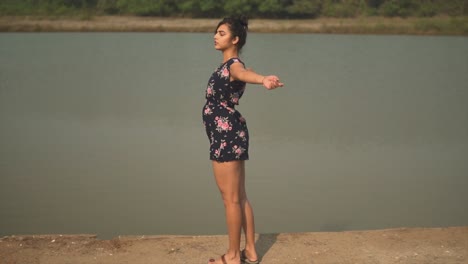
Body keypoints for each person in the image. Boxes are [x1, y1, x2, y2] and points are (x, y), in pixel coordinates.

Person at [202, 16, 283, 264]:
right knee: (239, 196)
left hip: (226, 136)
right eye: (216, 32)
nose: (215, 36)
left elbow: (244, 73)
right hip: (228, 134)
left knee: (231, 199)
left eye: (222, 33)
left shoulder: (233, 65)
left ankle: (233, 256)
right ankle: (250, 251)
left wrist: (263, 79)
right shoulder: (225, 66)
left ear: (235, 39)